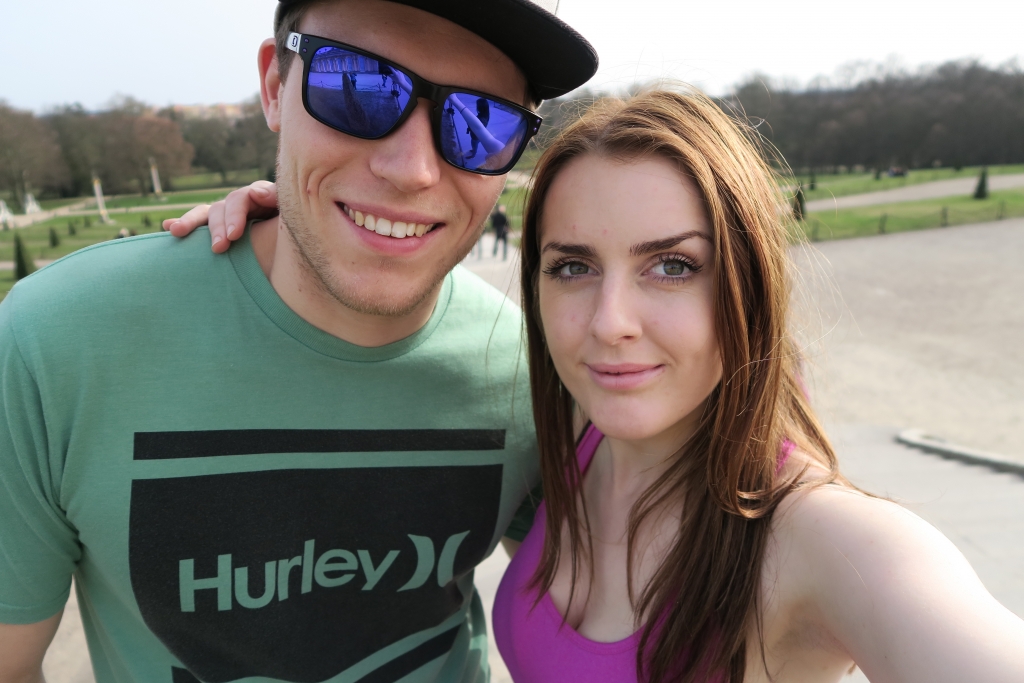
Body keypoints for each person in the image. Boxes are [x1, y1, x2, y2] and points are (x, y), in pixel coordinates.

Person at [0, 3, 597, 683]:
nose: (412, 169)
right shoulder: (60, 342)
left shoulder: (531, 367)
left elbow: (602, 617)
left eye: (481, 121)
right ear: (274, 86)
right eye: (357, 87)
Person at [490, 89, 1024, 682]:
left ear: (751, 285)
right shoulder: (571, 436)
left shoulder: (822, 539)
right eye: (573, 267)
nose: (609, 322)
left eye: (672, 266)